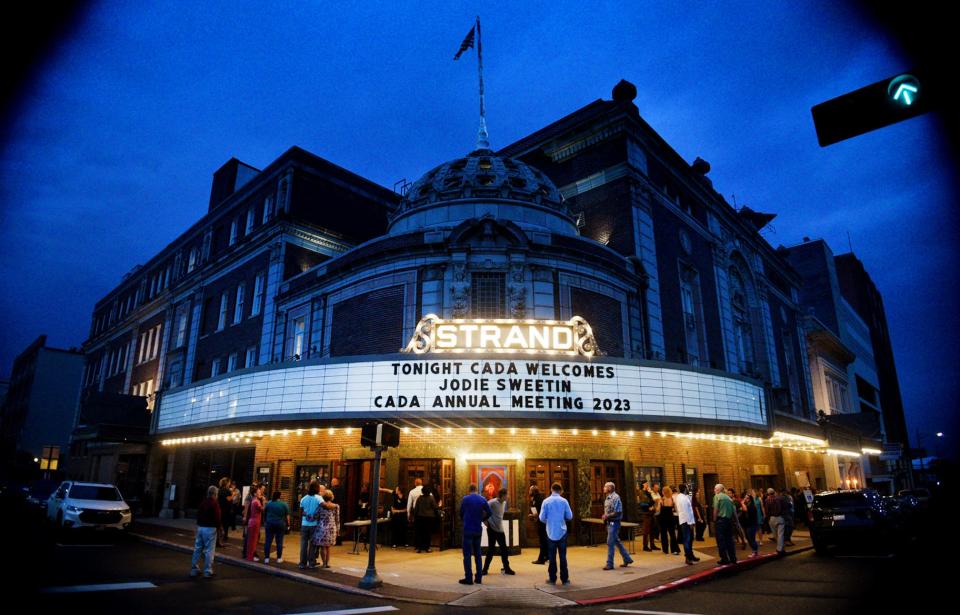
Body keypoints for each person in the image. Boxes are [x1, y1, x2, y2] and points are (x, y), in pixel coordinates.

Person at [539, 482, 573, 585]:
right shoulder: (564, 501)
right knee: (563, 556)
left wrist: (549, 521)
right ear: (560, 490)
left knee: (551, 556)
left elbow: (541, 518)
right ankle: (565, 579)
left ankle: (552, 578)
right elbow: (570, 516)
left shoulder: (546, 501)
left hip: (550, 532)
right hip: (562, 531)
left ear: (551, 489)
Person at [459, 484, 492, 585]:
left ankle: (468, 578)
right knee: (478, 554)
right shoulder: (482, 499)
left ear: (469, 490)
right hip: (478, 529)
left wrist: (465, 519)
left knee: (467, 554)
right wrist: (481, 519)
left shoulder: (465, 499)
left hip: (468, 529)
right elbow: (490, 512)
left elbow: (461, 512)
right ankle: (478, 578)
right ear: (476, 490)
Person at [483, 487, 515, 575]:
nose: (508, 497)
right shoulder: (492, 502)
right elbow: (483, 509)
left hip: (500, 529)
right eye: (507, 495)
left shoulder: (504, 503)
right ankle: (485, 569)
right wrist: (485, 521)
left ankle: (506, 568)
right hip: (492, 529)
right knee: (491, 549)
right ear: (503, 495)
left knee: (504, 549)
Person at [190, 485, 221, 578]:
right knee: (209, 550)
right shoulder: (214, 504)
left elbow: (198, 514)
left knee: (198, 548)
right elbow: (217, 517)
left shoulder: (203, 503)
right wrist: (220, 528)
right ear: (215, 494)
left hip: (201, 527)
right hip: (210, 528)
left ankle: (194, 569)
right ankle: (207, 571)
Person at [601, 482, 634, 570]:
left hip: (614, 523)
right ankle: (627, 559)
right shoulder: (607, 498)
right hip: (609, 523)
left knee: (610, 543)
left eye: (605, 487)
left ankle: (609, 564)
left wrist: (607, 516)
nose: (603, 488)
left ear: (610, 488)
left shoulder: (616, 497)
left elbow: (618, 511)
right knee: (616, 542)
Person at [299, 480, 323, 569]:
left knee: (303, 544)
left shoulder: (303, 499)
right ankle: (311, 563)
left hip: (304, 524)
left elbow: (301, 512)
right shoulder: (318, 498)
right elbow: (325, 506)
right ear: (317, 488)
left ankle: (302, 563)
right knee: (312, 544)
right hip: (314, 524)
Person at [314, 490, 341, 568]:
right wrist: (338, 529)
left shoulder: (320, 506)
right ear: (331, 497)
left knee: (322, 546)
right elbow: (337, 519)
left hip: (322, 527)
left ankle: (324, 563)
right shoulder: (336, 506)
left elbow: (316, 516)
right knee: (328, 546)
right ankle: (327, 563)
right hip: (332, 527)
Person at [674, 484, 700, 565]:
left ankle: (691, 555)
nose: (689, 490)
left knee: (690, 539)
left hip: (687, 521)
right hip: (686, 521)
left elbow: (690, 499)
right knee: (687, 540)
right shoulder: (681, 498)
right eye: (688, 488)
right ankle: (688, 557)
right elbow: (686, 511)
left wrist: (691, 490)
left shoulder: (684, 496)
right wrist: (690, 523)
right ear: (685, 489)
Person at [712, 483, 737, 565]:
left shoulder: (717, 497)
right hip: (729, 521)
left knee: (721, 541)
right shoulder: (729, 498)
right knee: (729, 540)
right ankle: (733, 558)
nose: (714, 490)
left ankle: (724, 558)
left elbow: (716, 509)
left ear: (719, 490)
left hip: (720, 521)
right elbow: (733, 511)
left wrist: (714, 520)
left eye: (715, 489)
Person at [263, 490, 290, 564]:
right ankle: (279, 558)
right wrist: (288, 525)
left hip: (269, 523)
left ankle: (266, 558)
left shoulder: (268, 504)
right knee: (279, 541)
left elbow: (264, 513)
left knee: (268, 541)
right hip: (280, 524)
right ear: (280, 496)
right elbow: (287, 516)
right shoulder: (284, 504)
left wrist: (265, 521)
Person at [413, 484, 439, 553]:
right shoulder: (431, 498)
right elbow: (435, 508)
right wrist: (437, 514)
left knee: (420, 533)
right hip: (429, 518)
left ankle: (419, 548)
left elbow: (416, 509)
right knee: (427, 533)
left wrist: (415, 517)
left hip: (420, 517)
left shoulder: (419, 498)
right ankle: (427, 548)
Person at [245, 484, 265, 561]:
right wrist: (263, 501)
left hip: (253, 521)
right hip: (255, 522)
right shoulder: (256, 501)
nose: (260, 494)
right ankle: (250, 556)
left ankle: (250, 556)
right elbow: (263, 509)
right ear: (254, 493)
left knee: (252, 540)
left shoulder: (254, 500)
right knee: (253, 540)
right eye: (259, 492)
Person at [529, 484, 549, 564]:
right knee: (543, 540)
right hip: (540, 521)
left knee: (542, 541)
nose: (529, 491)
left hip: (543, 523)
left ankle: (541, 559)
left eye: (530, 490)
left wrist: (534, 515)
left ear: (533, 491)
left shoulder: (539, 499)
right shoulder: (535, 498)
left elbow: (541, 512)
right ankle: (547, 556)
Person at [658, 486, 679, 555]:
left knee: (664, 534)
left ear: (663, 492)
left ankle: (665, 550)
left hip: (663, 518)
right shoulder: (672, 499)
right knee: (672, 534)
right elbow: (675, 508)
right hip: (671, 518)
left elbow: (658, 509)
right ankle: (674, 550)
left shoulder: (661, 500)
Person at [764, 487, 785, 555]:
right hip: (779, 517)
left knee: (776, 535)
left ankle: (780, 548)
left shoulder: (767, 500)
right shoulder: (779, 499)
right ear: (774, 492)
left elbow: (766, 511)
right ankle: (780, 548)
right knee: (780, 534)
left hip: (772, 518)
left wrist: (768, 518)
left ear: (768, 493)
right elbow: (781, 508)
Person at [637, 481, 656, 551]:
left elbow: (652, 501)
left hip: (651, 512)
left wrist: (652, 505)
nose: (647, 484)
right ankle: (645, 546)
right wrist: (648, 506)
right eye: (646, 483)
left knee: (652, 529)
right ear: (643, 484)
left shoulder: (648, 492)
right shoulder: (640, 492)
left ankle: (652, 544)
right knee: (646, 530)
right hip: (646, 513)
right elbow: (641, 503)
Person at [741, 489, 760, 558]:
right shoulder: (747, 505)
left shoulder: (751, 506)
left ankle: (755, 552)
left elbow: (746, 510)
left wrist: (742, 503)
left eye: (747, 498)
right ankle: (754, 551)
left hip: (752, 525)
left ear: (750, 499)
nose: (745, 499)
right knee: (749, 538)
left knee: (751, 539)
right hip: (747, 525)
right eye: (745, 498)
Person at [217, 476, 233, 547]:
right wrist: (233, 494)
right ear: (226, 483)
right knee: (224, 525)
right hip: (225, 510)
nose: (230, 483)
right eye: (229, 482)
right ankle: (221, 541)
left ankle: (219, 540)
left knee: (220, 525)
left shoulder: (220, 490)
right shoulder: (225, 490)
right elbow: (228, 499)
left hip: (221, 509)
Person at [330, 477, 345, 545]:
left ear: (336, 482)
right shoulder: (342, 489)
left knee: (334, 524)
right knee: (338, 524)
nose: (331, 483)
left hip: (333, 509)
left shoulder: (332, 490)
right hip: (340, 508)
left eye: (333, 482)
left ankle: (335, 540)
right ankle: (339, 540)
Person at [650, 482, 662, 549]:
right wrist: (658, 500)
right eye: (656, 488)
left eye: (658, 488)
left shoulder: (658, 493)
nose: (657, 489)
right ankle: (654, 538)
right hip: (654, 512)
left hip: (659, 511)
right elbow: (654, 500)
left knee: (658, 525)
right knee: (655, 525)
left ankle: (656, 537)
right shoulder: (651, 493)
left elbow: (659, 500)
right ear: (653, 488)